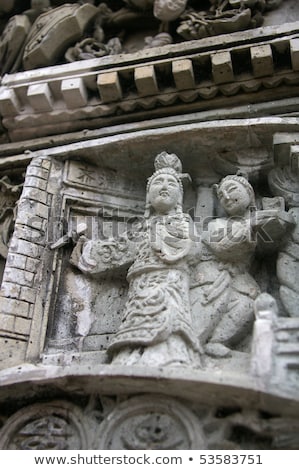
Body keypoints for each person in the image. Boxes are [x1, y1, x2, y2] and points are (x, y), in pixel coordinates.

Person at [72, 152, 201, 367]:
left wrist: (162, 237)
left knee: (169, 325)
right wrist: (84, 248)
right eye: (158, 182)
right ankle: (130, 358)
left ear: (179, 197)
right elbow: (117, 249)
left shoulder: (183, 223)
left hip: (170, 285)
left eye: (171, 183)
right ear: (148, 197)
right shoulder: (141, 227)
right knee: (134, 327)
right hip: (138, 287)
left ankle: (171, 358)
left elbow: (192, 250)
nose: (164, 186)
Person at [192, 173, 260, 358]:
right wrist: (251, 227)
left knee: (250, 301)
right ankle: (195, 342)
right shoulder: (216, 224)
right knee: (212, 303)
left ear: (250, 194)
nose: (227, 197)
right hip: (213, 273)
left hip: (238, 276)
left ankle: (217, 340)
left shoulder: (255, 222)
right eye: (221, 196)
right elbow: (223, 247)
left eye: (232, 190)